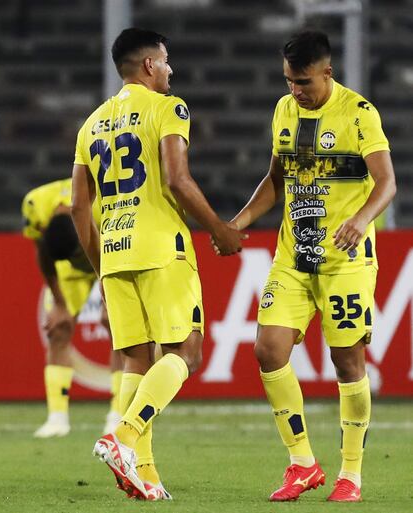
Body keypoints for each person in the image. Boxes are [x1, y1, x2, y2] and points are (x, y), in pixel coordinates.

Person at [71, 28, 245, 501]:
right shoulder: (169, 108)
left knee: (136, 358)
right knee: (185, 354)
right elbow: (177, 178)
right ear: (149, 65)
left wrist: (100, 268)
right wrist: (219, 228)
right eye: (166, 61)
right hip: (160, 246)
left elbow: (78, 208)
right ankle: (123, 437)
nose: (170, 69)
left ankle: (144, 474)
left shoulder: (91, 124)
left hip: (115, 251)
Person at [228, 31, 396, 503]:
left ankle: (352, 475)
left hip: (346, 260)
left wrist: (362, 219)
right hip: (294, 257)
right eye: (287, 81)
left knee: (347, 362)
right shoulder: (284, 111)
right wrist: (238, 223)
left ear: (328, 72)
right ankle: (302, 463)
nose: (294, 91)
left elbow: (387, 182)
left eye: (302, 81)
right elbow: (276, 179)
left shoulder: (359, 114)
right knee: (268, 349)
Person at [22, 178, 123, 438]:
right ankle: (57, 419)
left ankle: (118, 415)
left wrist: (111, 297)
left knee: (120, 330)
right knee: (58, 329)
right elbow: (42, 251)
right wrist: (58, 302)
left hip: (112, 255)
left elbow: (123, 249)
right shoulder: (36, 205)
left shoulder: (106, 202)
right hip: (69, 270)